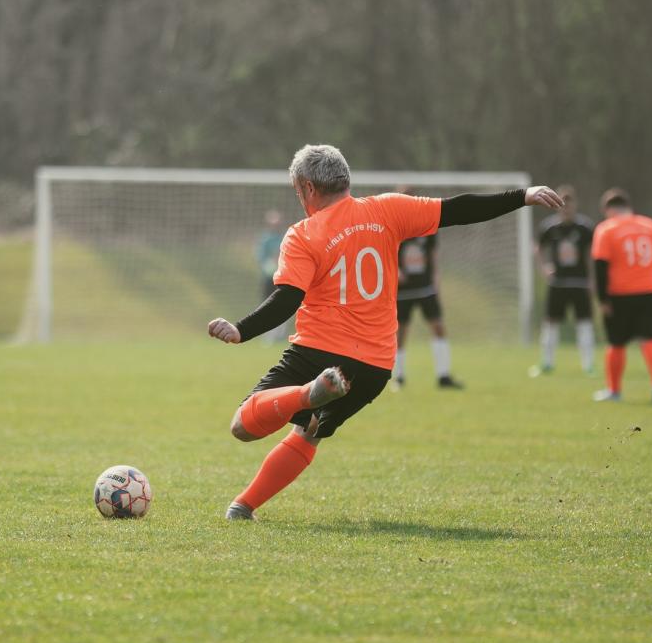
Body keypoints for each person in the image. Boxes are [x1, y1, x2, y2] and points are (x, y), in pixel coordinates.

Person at [207, 144, 563, 520]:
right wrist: (522, 196)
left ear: (308, 188)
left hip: (319, 351)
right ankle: (243, 506)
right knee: (308, 430)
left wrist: (241, 330)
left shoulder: (303, 233)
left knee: (243, 425)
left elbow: (288, 299)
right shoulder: (387, 209)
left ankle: (307, 393)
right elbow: (458, 209)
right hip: (374, 366)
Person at [590, 188, 652, 403]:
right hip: (650, 292)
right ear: (628, 207)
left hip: (620, 295)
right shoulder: (650, 226)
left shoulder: (606, 229)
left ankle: (614, 391)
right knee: (650, 338)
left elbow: (600, 266)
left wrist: (602, 299)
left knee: (616, 343)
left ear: (608, 210)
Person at [530, 185, 596, 377]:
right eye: (563, 203)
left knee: (584, 323)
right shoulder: (550, 227)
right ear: (557, 204)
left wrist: (592, 280)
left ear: (575, 205)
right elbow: (538, 249)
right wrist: (544, 268)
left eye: (570, 203)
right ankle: (547, 363)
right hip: (557, 283)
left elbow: (590, 255)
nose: (566, 208)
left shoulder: (585, 228)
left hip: (580, 283)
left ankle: (588, 365)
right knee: (550, 323)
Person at [392, 229, 463, 389]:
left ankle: (443, 375)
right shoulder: (400, 223)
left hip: (426, 288)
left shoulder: (429, 225)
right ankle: (399, 376)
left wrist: (436, 278)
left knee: (438, 326)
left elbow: (433, 254)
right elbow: (387, 247)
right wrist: (395, 269)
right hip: (404, 289)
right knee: (400, 332)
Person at [255, 209, 288, 341]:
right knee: (267, 305)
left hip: (283, 278)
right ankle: (268, 335)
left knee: (283, 306)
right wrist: (269, 267)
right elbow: (261, 258)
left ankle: (280, 335)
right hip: (269, 279)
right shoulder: (265, 240)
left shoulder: (285, 237)